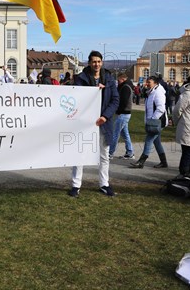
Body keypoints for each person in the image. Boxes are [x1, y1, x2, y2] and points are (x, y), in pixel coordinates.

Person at [69, 51, 119, 197]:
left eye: (99, 61)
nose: (96, 64)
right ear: (89, 63)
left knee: (104, 155)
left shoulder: (109, 79)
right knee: (80, 154)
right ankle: (76, 185)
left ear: (101, 62)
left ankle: (104, 184)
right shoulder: (81, 79)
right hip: (85, 123)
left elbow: (115, 100)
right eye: (93, 61)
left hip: (104, 123)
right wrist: (93, 91)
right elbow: (77, 98)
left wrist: (105, 116)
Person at [130, 76, 168, 169]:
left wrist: (152, 119)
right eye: (146, 82)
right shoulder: (151, 92)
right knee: (157, 142)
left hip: (158, 122)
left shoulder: (158, 92)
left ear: (155, 83)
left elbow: (160, 109)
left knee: (149, 140)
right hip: (154, 121)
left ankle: (141, 162)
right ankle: (164, 162)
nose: (146, 84)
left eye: (149, 82)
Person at [109, 73, 134, 160]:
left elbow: (123, 102)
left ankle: (110, 153)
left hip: (123, 113)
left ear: (122, 79)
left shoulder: (125, 87)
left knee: (115, 134)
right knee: (125, 134)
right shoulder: (125, 86)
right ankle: (130, 152)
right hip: (125, 113)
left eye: (118, 79)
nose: (117, 81)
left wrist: (117, 110)